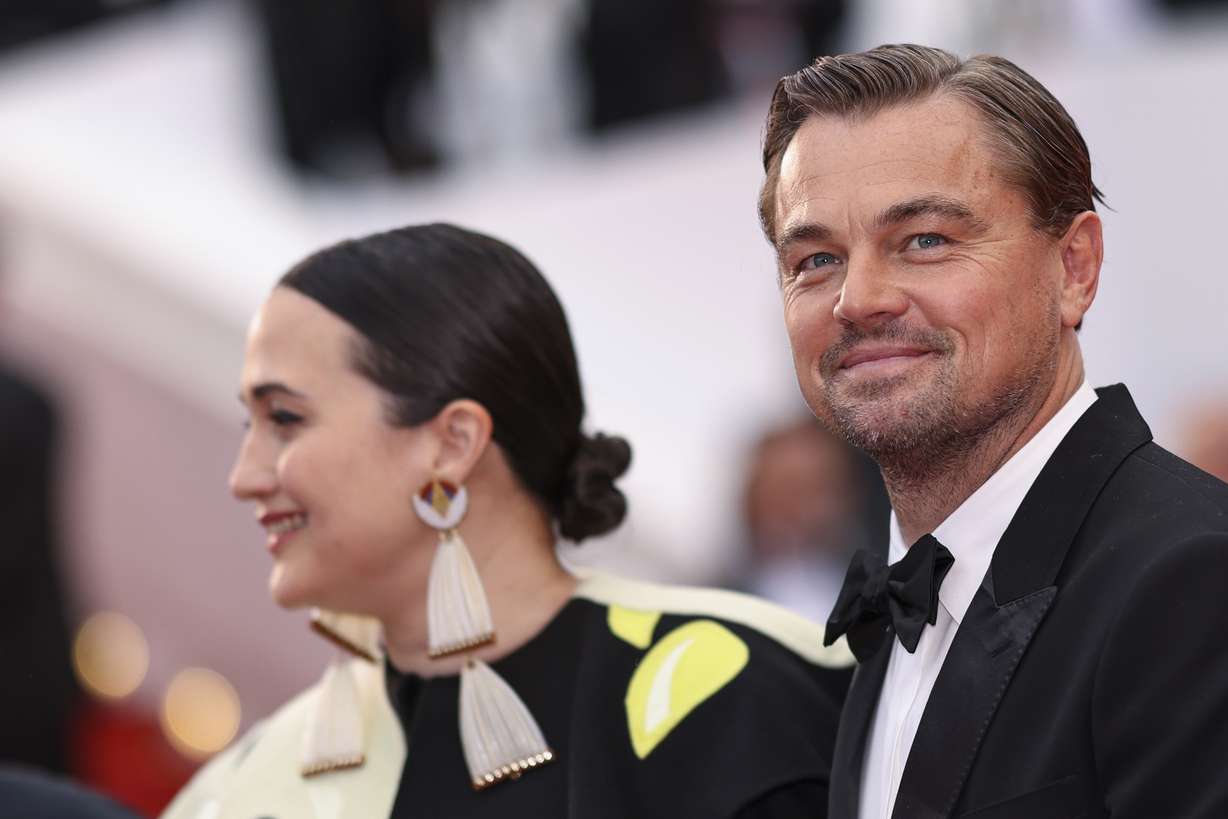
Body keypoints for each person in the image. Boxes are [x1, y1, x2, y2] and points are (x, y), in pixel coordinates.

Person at [161, 224, 853, 819]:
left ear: (453, 442)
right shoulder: (238, 787)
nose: (244, 474)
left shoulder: (729, 694)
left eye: (284, 418)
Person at [757, 44, 1228, 818]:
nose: (857, 299)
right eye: (815, 259)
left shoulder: (1191, 581)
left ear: (1073, 267)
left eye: (926, 240)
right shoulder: (891, 615)